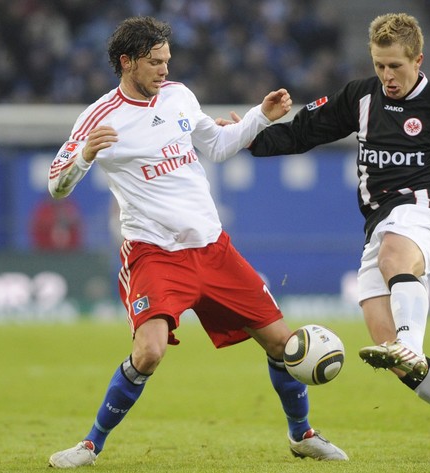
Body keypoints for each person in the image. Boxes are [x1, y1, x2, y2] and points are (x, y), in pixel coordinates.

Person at [47, 16, 347, 468]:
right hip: (155, 253)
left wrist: (258, 118)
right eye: (154, 62)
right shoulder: (99, 117)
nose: (164, 70)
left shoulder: (180, 96)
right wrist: (86, 156)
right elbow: (57, 184)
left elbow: (220, 146)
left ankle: (302, 435)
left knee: (284, 346)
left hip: (212, 248)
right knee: (148, 352)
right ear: (127, 63)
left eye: (167, 60)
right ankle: (90, 445)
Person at [248, 13, 430, 459]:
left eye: (395, 66)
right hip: (379, 226)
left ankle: (411, 344)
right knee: (390, 349)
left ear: (418, 60)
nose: (387, 76)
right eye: (380, 65)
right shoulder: (360, 97)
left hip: (426, 214)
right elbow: (305, 132)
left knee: (395, 263)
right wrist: (247, 138)